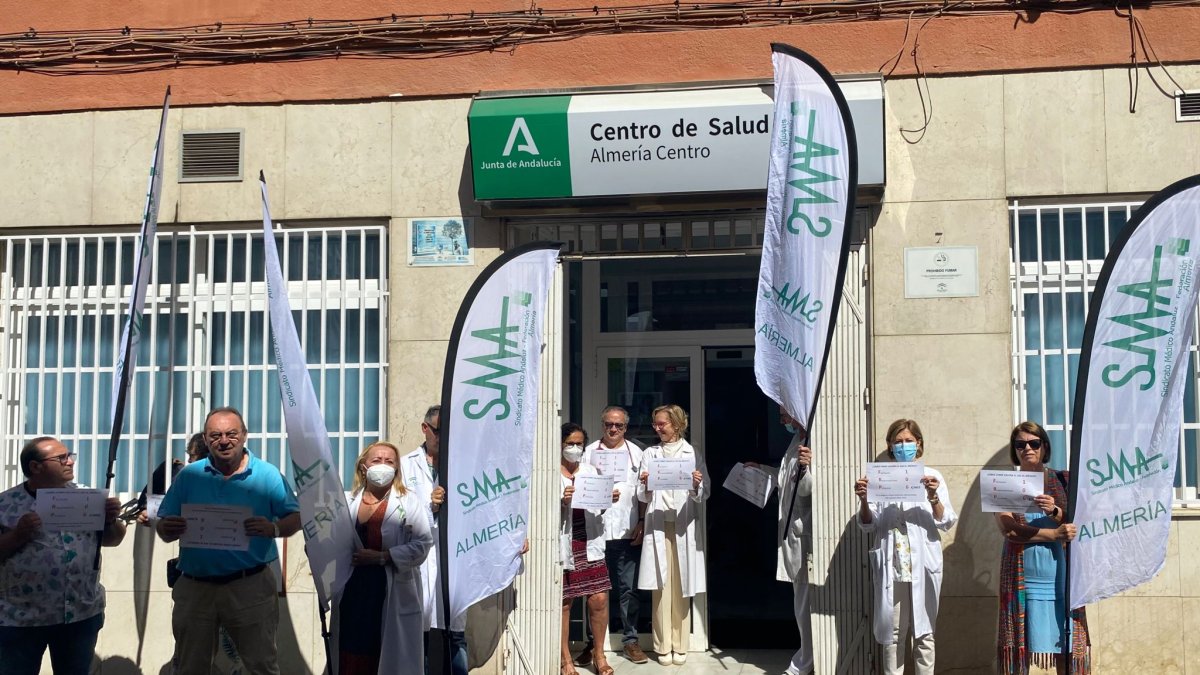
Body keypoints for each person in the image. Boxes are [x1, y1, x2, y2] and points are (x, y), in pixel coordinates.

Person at [155, 406, 302, 675]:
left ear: (244, 435)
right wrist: (168, 527)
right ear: (206, 438)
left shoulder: (267, 475)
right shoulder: (189, 475)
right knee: (190, 667)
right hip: (195, 587)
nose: (223, 440)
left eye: (231, 433)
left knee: (261, 666)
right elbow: (163, 527)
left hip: (250, 586)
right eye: (215, 435)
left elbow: (295, 517)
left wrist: (273, 528)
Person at [0, 436, 126, 675]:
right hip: (21, 619)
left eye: (70, 456)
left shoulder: (87, 498)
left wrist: (110, 520)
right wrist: (17, 536)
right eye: (61, 458)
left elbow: (113, 539)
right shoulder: (6, 504)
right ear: (35, 467)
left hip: (79, 614)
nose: (70, 462)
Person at [854, 419, 957, 675]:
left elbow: (946, 521)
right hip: (894, 564)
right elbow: (868, 524)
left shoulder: (933, 476)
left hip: (923, 564)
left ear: (918, 443)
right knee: (893, 632)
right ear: (890, 445)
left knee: (924, 632)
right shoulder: (881, 477)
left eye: (908, 441)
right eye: (898, 441)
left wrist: (933, 496)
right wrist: (865, 500)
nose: (903, 446)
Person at [995, 421, 1091, 675]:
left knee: (1067, 646)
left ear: (1044, 446)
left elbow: (1082, 523)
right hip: (1022, 577)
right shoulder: (1004, 483)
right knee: (1020, 647)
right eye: (1020, 444)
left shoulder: (1064, 479)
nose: (1027, 448)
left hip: (1062, 577)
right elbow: (1009, 529)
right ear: (1015, 450)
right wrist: (1053, 533)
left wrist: (1057, 511)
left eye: (1033, 443)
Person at [331, 441, 434, 675]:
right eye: (376, 460)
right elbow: (333, 541)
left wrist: (383, 557)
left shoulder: (408, 502)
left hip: (389, 590)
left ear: (397, 469)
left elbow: (423, 544)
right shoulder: (348, 502)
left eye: (389, 462)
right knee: (350, 652)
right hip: (353, 592)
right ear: (363, 466)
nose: (383, 466)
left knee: (386, 658)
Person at [636, 404, 709, 666]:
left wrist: (696, 485)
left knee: (682, 586)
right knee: (661, 588)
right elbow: (641, 494)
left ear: (676, 425)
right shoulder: (650, 453)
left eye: (661, 424)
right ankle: (662, 644)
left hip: (683, 525)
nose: (657, 428)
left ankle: (681, 643)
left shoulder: (693, 453)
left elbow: (704, 493)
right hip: (659, 524)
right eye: (655, 423)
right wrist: (645, 485)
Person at [746, 406, 815, 675]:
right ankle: (805, 659)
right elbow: (785, 478)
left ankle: (804, 664)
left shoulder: (811, 442)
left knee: (806, 605)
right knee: (801, 604)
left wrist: (805, 468)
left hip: (806, 535)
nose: (782, 420)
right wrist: (762, 470)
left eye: (785, 414)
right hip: (793, 532)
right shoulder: (796, 440)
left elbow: (807, 489)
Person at [579, 405, 648, 665]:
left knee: (628, 589)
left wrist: (641, 520)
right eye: (609, 424)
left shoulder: (636, 453)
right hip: (596, 531)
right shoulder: (588, 453)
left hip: (627, 529)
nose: (613, 429)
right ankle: (593, 643)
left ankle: (630, 640)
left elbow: (642, 490)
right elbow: (582, 487)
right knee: (595, 591)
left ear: (626, 428)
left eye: (618, 425)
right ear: (602, 424)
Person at [400, 404, 466, 675]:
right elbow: (402, 512)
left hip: (454, 557)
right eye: (439, 431)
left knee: (456, 633)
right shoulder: (406, 465)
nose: (443, 437)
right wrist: (431, 506)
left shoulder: (462, 462)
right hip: (421, 559)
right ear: (425, 429)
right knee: (420, 633)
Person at [559, 423, 615, 675]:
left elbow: (598, 508)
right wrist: (562, 501)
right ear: (560, 445)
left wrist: (607, 500)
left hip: (589, 542)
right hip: (566, 543)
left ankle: (599, 655)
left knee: (599, 599)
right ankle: (565, 659)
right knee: (564, 603)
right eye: (570, 443)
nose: (575, 448)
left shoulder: (591, 470)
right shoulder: (550, 473)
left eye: (579, 443)